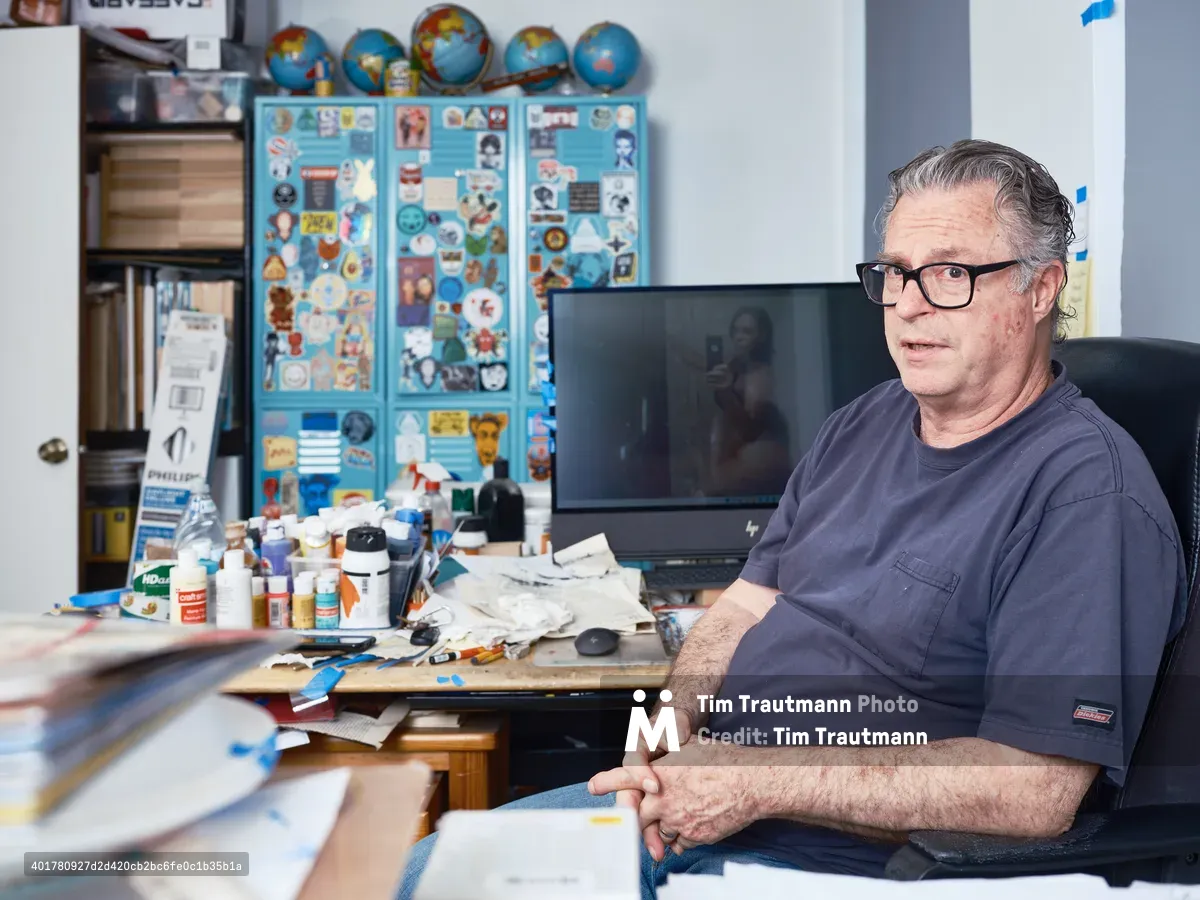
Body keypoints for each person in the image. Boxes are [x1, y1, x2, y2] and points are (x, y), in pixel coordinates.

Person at [399, 139, 1189, 899]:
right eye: (896, 273)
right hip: (704, 815)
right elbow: (744, 605)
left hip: (833, 865)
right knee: (422, 872)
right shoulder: (865, 421)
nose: (909, 307)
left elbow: (1037, 791)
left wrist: (753, 782)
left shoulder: (1086, 495)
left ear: (1042, 287)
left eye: (950, 273)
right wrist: (662, 739)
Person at [706, 306, 793, 495]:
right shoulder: (734, 366)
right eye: (735, 330)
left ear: (761, 336)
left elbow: (750, 427)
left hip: (754, 464)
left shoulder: (761, 373)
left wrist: (726, 392)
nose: (739, 336)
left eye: (747, 331)